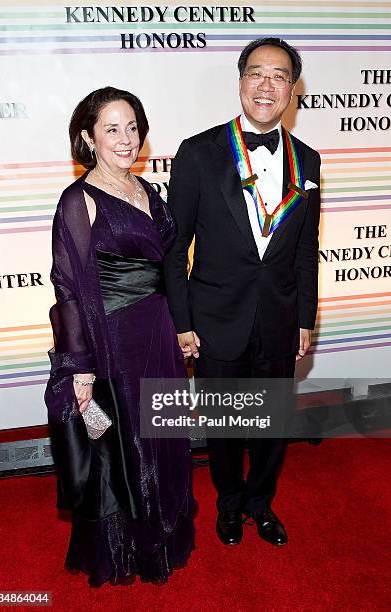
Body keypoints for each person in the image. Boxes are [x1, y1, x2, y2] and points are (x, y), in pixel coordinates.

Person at [164, 38, 321, 547]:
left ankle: (261, 503)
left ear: (292, 90)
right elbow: (174, 248)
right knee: (225, 424)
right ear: (240, 81)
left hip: (278, 317)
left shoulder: (309, 161)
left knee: (272, 423)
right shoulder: (197, 152)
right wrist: (182, 321)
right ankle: (229, 504)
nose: (267, 85)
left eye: (279, 76)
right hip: (215, 318)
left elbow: (303, 251)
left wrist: (305, 317)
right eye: (257, 73)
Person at [45, 87, 195, 586]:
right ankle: (127, 549)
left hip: (157, 329)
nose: (126, 139)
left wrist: (179, 324)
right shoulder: (78, 201)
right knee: (123, 444)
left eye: (132, 127)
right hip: (112, 340)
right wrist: (79, 365)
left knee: (163, 437)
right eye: (111, 129)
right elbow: (68, 288)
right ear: (88, 138)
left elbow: (166, 265)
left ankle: (164, 535)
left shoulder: (147, 190)